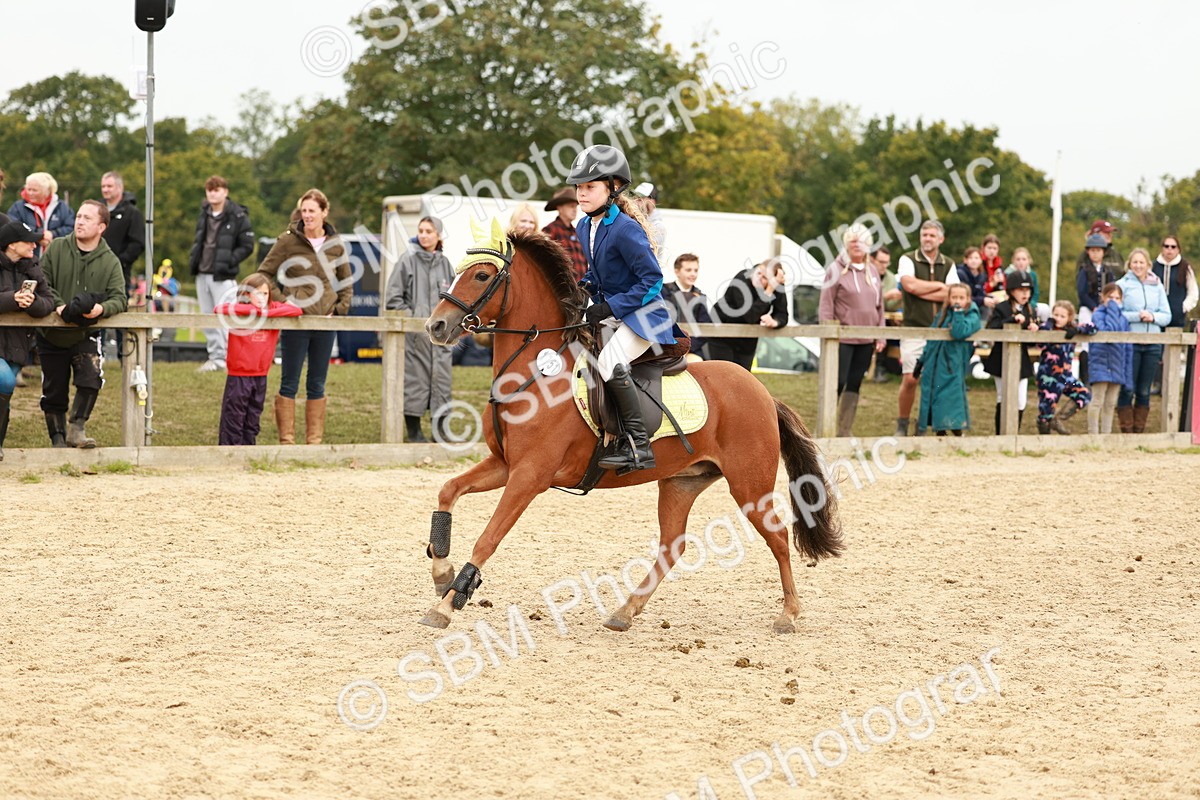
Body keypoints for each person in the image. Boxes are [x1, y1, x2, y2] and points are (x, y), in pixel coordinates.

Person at [571, 144, 677, 472]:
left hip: (645, 316)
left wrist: (610, 307)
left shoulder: (626, 229)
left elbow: (652, 280)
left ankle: (639, 446)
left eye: (590, 187)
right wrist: (583, 288)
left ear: (613, 187)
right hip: (617, 314)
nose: (581, 194)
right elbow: (598, 273)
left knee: (609, 360)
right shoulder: (584, 227)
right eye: (579, 187)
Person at [256, 188, 351, 445]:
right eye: (304, 211)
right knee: (289, 381)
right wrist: (284, 301)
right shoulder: (288, 240)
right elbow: (264, 274)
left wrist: (340, 308)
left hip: (324, 323)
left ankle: (314, 443)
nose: (307, 216)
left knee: (317, 382)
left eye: (312, 211)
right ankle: (287, 441)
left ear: (324, 212)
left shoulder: (335, 243)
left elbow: (346, 281)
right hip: (294, 321)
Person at [37, 200, 127, 448]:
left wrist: (102, 309)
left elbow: (120, 297)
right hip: (51, 331)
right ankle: (57, 438)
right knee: (54, 390)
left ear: (101, 226)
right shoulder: (56, 248)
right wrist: (58, 305)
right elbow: (42, 281)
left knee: (91, 377)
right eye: (78, 216)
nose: (79, 221)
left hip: (87, 331)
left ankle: (77, 427)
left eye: (87, 218)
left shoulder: (110, 260)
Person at [384, 215, 454, 443]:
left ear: (438, 235)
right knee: (414, 383)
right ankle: (414, 431)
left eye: (429, 231)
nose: (424, 235)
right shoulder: (407, 260)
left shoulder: (446, 264)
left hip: (441, 340)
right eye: (421, 231)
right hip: (415, 339)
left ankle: (440, 431)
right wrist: (414, 322)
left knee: (442, 382)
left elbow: (454, 301)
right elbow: (393, 299)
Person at [213, 274, 302, 445]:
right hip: (239, 374)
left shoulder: (273, 308)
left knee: (253, 415)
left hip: (261, 374)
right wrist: (256, 311)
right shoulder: (238, 310)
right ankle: (230, 452)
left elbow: (296, 310)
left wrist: (267, 313)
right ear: (246, 295)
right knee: (234, 416)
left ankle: (248, 450)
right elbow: (219, 308)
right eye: (258, 294)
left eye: (265, 294)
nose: (262, 298)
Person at [895, 219, 960, 437]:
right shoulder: (907, 258)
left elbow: (953, 295)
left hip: (941, 330)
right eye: (924, 234)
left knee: (936, 381)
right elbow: (909, 285)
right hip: (914, 327)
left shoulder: (948, 263)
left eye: (932, 235)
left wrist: (924, 290)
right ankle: (902, 423)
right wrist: (940, 287)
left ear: (941, 239)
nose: (927, 239)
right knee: (911, 379)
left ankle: (925, 425)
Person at [818, 224, 885, 436]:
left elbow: (879, 306)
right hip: (842, 339)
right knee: (837, 382)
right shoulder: (835, 270)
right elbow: (826, 305)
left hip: (867, 339)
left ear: (868, 245)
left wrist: (880, 334)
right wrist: (828, 332)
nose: (857, 244)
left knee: (855, 383)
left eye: (861, 241)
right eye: (853, 240)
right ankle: (825, 428)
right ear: (846, 244)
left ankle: (844, 431)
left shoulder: (873, 270)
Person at [188, 176, 256, 373]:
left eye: (216, 189)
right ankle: (215, 358)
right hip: (202, 273)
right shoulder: (204, 213)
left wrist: (229, 261)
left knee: (227, 319)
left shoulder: (238, 215)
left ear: (225, 191)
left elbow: (247, 245)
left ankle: (231, 358)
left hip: (224, 276)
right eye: (209, 190)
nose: (212, 193)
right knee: (207, 317)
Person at [0, 221, 56, 460]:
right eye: (29, 240)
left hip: (17, 345)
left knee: (5, 394)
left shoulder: (32, 266)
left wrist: (31, 303)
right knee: (6, 380)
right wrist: (13, 299)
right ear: (12, 244)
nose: (35, 244)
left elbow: (48, 302)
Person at [1115, 248, 1171, 433]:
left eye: (1142, 262)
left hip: (1152, 343)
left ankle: (1139, 431)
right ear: (1129, 265)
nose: (1138, 266)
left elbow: (1167, 315)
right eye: (1135, 262)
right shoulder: (1122, 285)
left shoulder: (1157, 285)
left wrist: (1153, 317)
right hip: (1130, 343)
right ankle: (1126, 430)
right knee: (1127, 388)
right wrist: (1137, 316)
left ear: (1148, 264)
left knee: (1145, 390)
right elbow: (1117, 313)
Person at [915, 283, 981, 436]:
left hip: (952, 364)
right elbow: (932, 338)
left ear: (968, 299)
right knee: (934, 396)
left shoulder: (971, 316)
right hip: (934, 363)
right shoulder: (943, 315)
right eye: (954, 297)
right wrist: (922, 360)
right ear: (949, 298)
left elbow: (959, 332)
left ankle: (957, 429)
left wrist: (958, 313)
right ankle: (939, 430)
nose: (957, 301)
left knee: (950, 397)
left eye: (961, 298)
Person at [982, 270, 1038, 434]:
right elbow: (991, 330)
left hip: (1022, 360)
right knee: (1003, 397)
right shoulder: (1002, 307)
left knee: (1021, 401)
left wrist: (1033, 329)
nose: (1024, 294)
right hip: (1000, 358)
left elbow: (1031, 343)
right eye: (1021, 290)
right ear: (1011, 291)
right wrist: (1011, 320)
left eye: (1027, 290)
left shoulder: (1029, 309)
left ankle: (1014, 434)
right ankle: (1000, 435)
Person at [710, 258, 789, 370]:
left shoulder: (776, 285)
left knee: (743, 380)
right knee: (723, 376)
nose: (759, 277)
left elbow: (783, 314)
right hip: (722, 334)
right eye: (759, 272)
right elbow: (749, 316)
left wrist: (774, 321)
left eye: (765, 278)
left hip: (747, 340)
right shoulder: (742, 278)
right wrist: (768, 292)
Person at [1036, 300, 1093, 435]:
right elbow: (1039, 343)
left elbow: (1092, 327)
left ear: (1069, 318)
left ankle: (1058, 419)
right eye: (1056, 315)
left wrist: (1078, 329)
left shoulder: (1071, 330)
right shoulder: (1047, 328)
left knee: (1084, 394)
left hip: (1066, 376)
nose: (1058, 319)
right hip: (1048, 376)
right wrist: (1049, 324)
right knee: (1046, 411)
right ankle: (1044, 437)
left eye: (1062, 316)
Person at [1086, 283, 1132, 434]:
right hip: (1100, 362)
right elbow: (1109, 332)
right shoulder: (1098, 315)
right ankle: (1093, 434)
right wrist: (1112, 309)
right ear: (1103, 298)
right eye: (1110, 297)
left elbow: (1127, 346)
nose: (1113, 301)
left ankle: (1106, 435)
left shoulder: (1124, 319)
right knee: (1097, 400)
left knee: (1111, 403)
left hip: (1117, 363)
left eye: (1117, 298)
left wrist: (1127, 372)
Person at [7, 172, 76, 258]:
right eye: (28, 189)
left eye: (35, 190)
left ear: (46, 191)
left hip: (57, 256)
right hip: (27, 260)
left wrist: (53, 234)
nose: (30, 193)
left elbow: (71, 227)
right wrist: (39, 235)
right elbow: (13, 227)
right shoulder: (18, 207)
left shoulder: (62, 207)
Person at [99, 172, 146, 292]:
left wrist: (120, 261)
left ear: (120, 188)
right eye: (103, 186)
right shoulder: (97, 210)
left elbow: (137, 243)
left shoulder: (132, 213)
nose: (105, 189)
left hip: (119, 273)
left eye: (109, 186)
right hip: (95, 270)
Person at [661, 253, 713, 359]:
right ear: (677, 271)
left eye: (696, 270)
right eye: (688, 270)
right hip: (666, 347)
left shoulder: (700, 296)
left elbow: (705, 327)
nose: (693, 274)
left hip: (692, 349)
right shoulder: (663, 291)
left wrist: (687, 347)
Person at [1151, 235, 1197, 331]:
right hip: (1156, 318)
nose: (1169, 249)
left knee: (1174, 345)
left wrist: (1183, 308)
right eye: (1166, 246)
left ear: (1178, 249)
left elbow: (1193, 292)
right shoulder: (1153, 267)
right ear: (1162, 248)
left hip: (1177, 320)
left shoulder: (1185, 267)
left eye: (1173, 247)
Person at [542, 188, 587, 281]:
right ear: (560, 208)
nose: (575, 210)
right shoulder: (550, 230)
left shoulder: (577, 232)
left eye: (575, 207)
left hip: (581, 288)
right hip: (563, 287)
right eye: (571, 206)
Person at [871, 245, 901, 383]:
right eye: (881, 262)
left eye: (886, 262)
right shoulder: (864, 274)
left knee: (890, 326)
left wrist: (899, 300)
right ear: (872, 260)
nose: (884, 266)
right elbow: (864, 301)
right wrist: (885, 296)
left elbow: (890, 307)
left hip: (883, 319)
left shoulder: (890, 278)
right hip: (865, 319)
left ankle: (881, 368)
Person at [1005, 247, 1048, 321]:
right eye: (1018, 259)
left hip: (1029, 302)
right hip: (1012, 303)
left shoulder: (1032, 275)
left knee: (1045, 308)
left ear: (1028, 261)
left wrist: (1031, 304)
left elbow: (1035, 292)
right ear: (1013, 261)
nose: (1021, 262)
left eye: (1024, 259)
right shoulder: (1008, 274)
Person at [632, 181, 666, 259]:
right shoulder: (634, 220)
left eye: (639, 200)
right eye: (635, 198)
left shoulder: (658, 227)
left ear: (652, 202)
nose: (634, 202)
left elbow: (642, 254)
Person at [957, 246, 992, 317]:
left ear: (981, 260)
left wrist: (990, 298)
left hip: (978, 305)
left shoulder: (982, 275)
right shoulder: (960, 274)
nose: (974, 261)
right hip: (964, 307)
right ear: (965, 260)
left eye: (976, 258)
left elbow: (981, 293)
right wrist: (982, 300)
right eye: (970, 258)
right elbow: (964, 297)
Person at [980, 234, 1005, 302]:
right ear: (983, 248)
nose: (992, 251)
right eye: (989, 248)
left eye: (995, 248)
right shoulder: (979, 264)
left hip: (998, 295)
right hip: (984, 297)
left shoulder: (999, 265)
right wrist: (992, 284)